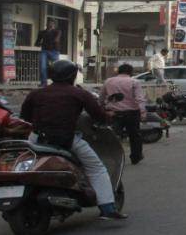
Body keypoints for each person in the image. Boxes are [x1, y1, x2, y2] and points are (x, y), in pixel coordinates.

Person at [20, 60, 128, 220]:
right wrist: (108, 117)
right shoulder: (79, 93)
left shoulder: (36, 93)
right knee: (97, 168)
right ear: (72, 76)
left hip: (37, 138)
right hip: (65, 139)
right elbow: (98, 115)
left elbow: (25, 117)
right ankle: (107, 207)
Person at [103, 63, 148, 165]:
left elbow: (102, 98)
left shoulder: (108, 81)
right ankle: (135, 157)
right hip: (132, 113)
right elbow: (139, 98)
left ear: (119, 71)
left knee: (113, 136)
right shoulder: (134, 82)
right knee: (134, 135)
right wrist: (143, 112)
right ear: (131, 72)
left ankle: (112, 157)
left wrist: (102, 108)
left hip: (114, 113)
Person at [35, 20, 61, 87]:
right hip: (44, 51)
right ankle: (44, 83)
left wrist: (46, 41)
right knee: (42, 67)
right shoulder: (42, 32)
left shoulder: (57, 32)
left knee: (56, 67)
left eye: (52, 24)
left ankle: (58, 83)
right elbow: (37, 43)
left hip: (54, 51)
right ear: (46, 24)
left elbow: (56, 40)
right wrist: (40, 43)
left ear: (54, 25)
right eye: (49, 23)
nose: (51, 25)